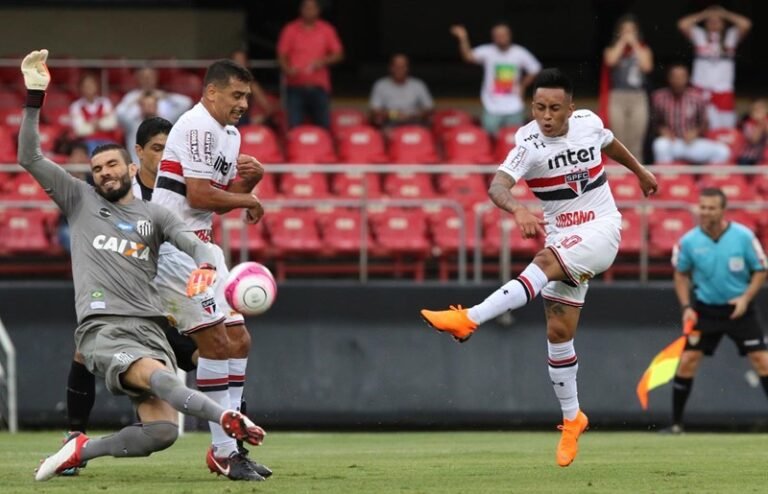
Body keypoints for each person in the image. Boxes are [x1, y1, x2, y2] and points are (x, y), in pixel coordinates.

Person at [17, 50, 265, 482]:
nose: (105, 173)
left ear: (129, 167)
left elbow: (196, 226)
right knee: (199, 356)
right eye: (97, 168)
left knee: (169, 422)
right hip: (107, 321)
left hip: (156, 309)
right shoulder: (79, 200)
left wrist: (238, 206)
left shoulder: (154, 215)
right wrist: (35, 96)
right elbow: (31, 157)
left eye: (112, 165)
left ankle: (85, 449)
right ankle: (223, 439)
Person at [420, 68, 658, 467]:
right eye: (539, 107)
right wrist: (516, 208)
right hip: (562, 236)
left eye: (554, 108)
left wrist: (640, 172)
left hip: (602, 229)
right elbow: (497, 186)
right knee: (559, 331)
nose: (546, 116)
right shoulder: (527, 144)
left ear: (571, 108)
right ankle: (572, 419)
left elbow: (610, 144)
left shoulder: (588, 123)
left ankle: (470, 318)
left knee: (544, 263)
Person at [151, 58, 269, 481]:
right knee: (217, 344)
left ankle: (232, 444)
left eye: (247, 97)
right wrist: (249, 201)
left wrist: (249, 186)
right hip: (172, 248)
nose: (242, 104)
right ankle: (223, 451)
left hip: (202, 247)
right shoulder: (197, 124)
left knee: (239, 339)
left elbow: (217, 195)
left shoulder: (230, 134)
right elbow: (199, 196)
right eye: (236, 95)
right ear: (211, 92)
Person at [665, 188, 768, 434]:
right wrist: (687, 307)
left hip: (739, 310)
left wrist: (745, 299)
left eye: (711, 208)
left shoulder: (743, 236)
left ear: (722, 210)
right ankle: (676, 424)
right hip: (705, 310)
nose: (705, 212)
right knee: (687, 362)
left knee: (762, 362)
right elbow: (680, 274)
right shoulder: (689, 241)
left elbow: (761, 269)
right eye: (702, 207)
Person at [450, 22, 541, 135]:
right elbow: (468, 57)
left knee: (514, 140)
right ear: (493, 37)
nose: (501, 37)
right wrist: (463, 37)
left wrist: (523, 84)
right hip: (491, 107)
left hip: (514, 106)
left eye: (504, 34)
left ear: (509, 35)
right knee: (489, 138)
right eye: (498, 35)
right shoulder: (488, 51)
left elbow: (535, 68)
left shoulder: (519, 52)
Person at [678, 5, 752, 129]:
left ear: (724, 23)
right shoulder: (699, 35)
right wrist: (705, 14)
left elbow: (746, 24)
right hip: (700, 88)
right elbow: (682, 24)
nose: (714, 22)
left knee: (725, 126)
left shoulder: (731, 36)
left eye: (718, 21)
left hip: (723, 89)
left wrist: (724, 14)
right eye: (710, 21)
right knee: (697, 123)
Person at [277, 0, 344, 129]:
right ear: (301, 10)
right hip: (295, 86)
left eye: (312, 8)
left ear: (318, 11)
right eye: (306, 8)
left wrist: (323, 61)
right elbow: (281, 55)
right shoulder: (290, 29)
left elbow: (339, 54)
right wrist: (287, 69)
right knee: (294, 126)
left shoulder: (326, 29)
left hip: (319, 87)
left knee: (323, 126)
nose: (309, 11)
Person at [651, 64, 730, 164]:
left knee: (722, 151)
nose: (678, 80)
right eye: (675, 77)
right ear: (669, 78)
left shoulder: (697, 97)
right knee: (660, 145)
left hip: (691, 143)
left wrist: (696, 132)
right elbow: (652, 122)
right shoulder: (658, 97)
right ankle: (666, 179)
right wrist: (661, 130)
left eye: (681, 77)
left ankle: (706, 179)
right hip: (671, 142)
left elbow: (705, 123)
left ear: (687, 78)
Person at [601, 14, 653, 160]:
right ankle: (618, 178)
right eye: (625, 31)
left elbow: (647, 67)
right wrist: (623, 42)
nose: (629, 34)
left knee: (636, 140)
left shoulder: (643, 49)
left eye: (632, 31)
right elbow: (611, 61)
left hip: (638, 97)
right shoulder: (611, 49)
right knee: (618, 139)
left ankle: (636, 177)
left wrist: (635, 44)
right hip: (618, 97)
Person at [116, 67, 193, 162]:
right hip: (137, 164)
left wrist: (165, 96)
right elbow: (119, 113)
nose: (147, 80)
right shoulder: (132, 100)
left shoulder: (165, 113)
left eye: (150, 77)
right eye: (144, 77)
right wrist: (137, 99)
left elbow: (187, 103)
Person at [369, 53, 434, 128]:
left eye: (403, 67)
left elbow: (429, 108)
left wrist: (411, 115)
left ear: (407, 68)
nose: (399, 70)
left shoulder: (418, 85)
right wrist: (395, 114)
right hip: (389, 123)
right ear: (391, 68)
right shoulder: (380, 85)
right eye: (396, 66)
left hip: (415, 122)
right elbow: (375, 110)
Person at [68, 72, 119, 152]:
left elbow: (112, 124)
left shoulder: (105, 102)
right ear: (81, 88)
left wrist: (89, 124)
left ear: (96, 86)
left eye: (91, 84)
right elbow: (79, 130)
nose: (89, 87)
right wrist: (100, 123)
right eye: (86, 86)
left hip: (107, 140)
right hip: (87, 143)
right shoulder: (76, 106)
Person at [230, 49, 276, 127]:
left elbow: (268, 107)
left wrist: (258, 119)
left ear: (246, 64)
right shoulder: (224, 85)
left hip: (244, 123)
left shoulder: (252, 85)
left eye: (242, 62)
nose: (240, 66)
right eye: (237, 62)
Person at [737, 99, 768, 165]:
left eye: (761, 110)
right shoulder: (748, 124)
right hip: (749, 156)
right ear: (751, 113)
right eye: (756, 110)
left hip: (763, 155)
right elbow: (754, 140)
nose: (759, 113)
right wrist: (759, 125)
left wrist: (764, 124)